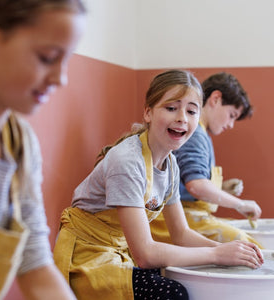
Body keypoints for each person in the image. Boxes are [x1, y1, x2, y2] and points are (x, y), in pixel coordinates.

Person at [53, 70, 263, 300]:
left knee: (191, 273)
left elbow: (181, 234)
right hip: (88, 257)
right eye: (171, 108)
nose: (182, 117)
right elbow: (145, 254)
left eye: (191, 111)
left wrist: (224, 251)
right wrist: (216, 254)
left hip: (121, 250)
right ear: (148, 113)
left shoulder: (170, 164)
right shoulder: (127, 161)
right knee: (174, 292)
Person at [0, 1, 86, 299]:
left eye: (66, 61)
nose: (60, 79)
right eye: (47, 57)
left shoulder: (19, 143)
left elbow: (34, 264)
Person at [150, 72, 262, 246]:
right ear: (215, 98)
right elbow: (196, 185)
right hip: (175, 220)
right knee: (248, 246)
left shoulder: (201, 134)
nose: (231, 124)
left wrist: (221, 188)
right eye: (232, 115)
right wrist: (240, 204)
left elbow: (188, 182)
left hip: (185, 215)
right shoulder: (194, 134)